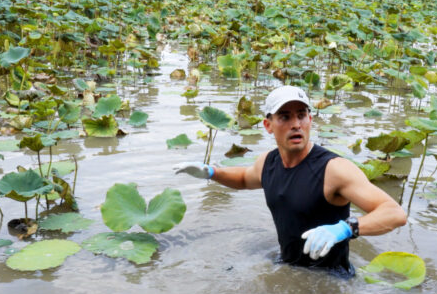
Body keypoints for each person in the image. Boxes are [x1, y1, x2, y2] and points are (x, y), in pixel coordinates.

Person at [174, 85, 407, 276]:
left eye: (301, 115)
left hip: (330, 281)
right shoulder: (268, 162)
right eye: (285, 117)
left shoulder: (334, 169)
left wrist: (345, 228)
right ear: (268, 125)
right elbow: (245, 179)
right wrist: (212, 173)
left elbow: (395, 214)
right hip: (287, 267)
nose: (296, 124)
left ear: (310, 119)